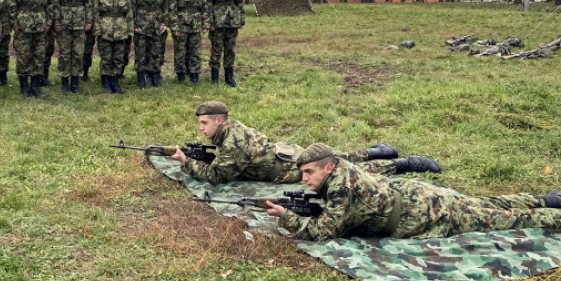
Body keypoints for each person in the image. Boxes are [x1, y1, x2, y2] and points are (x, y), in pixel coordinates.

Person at [267, 143, 561, 240]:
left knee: (507, 220)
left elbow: (324, 233)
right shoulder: (342, 169)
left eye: (309, 173)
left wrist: (286, 217)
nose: (304, 179)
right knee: (488, 203)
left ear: (328, 168)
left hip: (427, 214)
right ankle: (554, 199)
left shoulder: (340, 189)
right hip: (419, 196)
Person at [168, 101, 442, 184]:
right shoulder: (231, 129)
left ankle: (402, 164)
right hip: (285, 154)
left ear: (218, 120)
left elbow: (217, 176)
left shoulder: (233, 143)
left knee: (342, 170)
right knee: (336, 156)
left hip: (290, 169)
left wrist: (186, 162)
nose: (201, 128)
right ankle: (376, 151)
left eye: (204, 123)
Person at [8, 0, 52, 98]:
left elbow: (50, 1)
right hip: (23, 21)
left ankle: (35, 85)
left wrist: (49, 21)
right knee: (23, 55)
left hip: (40, 20)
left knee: (39, 54)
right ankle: (24, 86)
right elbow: (10, 2)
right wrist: (14, 23)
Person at [50, 0, 92, 94]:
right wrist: (57, 21)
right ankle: (64, 82)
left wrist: (89, 20)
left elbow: (88, 0)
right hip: (64, 17)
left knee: (78, 52)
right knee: (65, 52)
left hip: (80, 18)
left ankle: (75, 82)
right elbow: (54, 1)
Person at [91, 0, 133, 94]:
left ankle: (115, 81)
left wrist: (129, 29)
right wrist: (97, 29)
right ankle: (106, 81)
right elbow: (95, 10)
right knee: (106, 56)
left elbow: (129, 10)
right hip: (105, 26)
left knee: (118, 56)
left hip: (121, 27)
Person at [204, 0, 244, 87]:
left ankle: (229, 77)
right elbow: (207, 2)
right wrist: (210, 21)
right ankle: (214, 78)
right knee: (216, 49)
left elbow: (239, 0)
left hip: (232, 18)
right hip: (217, 18)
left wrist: (241, 19)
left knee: (230, 49)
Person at [130, 0, 169, 89]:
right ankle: (141, 78)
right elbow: (132, 4)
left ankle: (155, 75)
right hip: (142, 21)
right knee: (141, 51)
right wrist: (134, 23)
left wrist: (165, 23)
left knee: (157, 50)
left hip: (157, 22)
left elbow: (166, 4)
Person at [167, 0, 206, 84]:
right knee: (180, 51)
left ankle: (194, 75)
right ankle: (181, 75)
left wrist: (205, 23)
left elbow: (204, 6)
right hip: (181, 23)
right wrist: (174, 27)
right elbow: (172, 9)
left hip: (195, 23)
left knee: (195, 50)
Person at [36, 0, 56, 85]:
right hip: (35, 18)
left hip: (49, 17)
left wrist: (51, 19)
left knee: (49, 48)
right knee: (37, 50)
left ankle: (45, 76)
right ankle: (36, 77)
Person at [78, 0, 96, 81]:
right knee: (77, 49)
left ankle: (85, 72)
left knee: (88, 48)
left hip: (90, 20)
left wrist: (91, 21)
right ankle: (76, 73)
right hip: (77, 20)